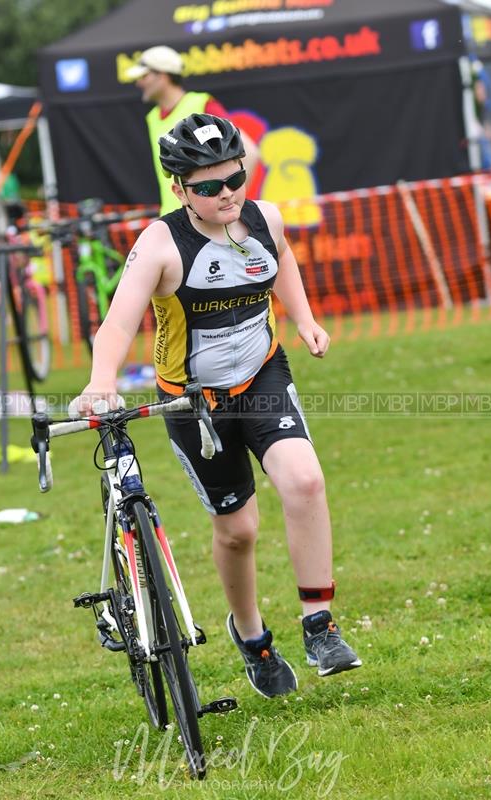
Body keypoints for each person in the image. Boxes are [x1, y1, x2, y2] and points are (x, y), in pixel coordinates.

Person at [71, 113, 361, 698]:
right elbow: (116, 323)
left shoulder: (263, 218)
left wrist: (303, 319)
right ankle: (252, 638)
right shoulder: (161, 244)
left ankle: (319, 624)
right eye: (208, 187)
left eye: (235, 179)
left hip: (262, 375)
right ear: (180, 190)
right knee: (238, 532)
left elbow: (284, 261)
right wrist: (102, 379)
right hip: (192, 402)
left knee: (304, 481)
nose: (226, 194)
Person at [126, 46, 259, 216]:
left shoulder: (201, 104)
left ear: (162, 75)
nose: (139, 83)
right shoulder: (153, 117)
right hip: (175, 220)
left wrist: (230, 203)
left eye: (144, 76)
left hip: (205, 222)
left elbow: (250, 153)